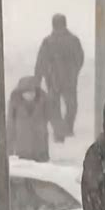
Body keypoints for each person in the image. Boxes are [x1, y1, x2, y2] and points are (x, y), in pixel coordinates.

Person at [35, 13, 84, 141]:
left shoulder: (48, 42)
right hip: (66, 80)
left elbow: (41, 62)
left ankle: (60, 131)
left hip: (54, 80)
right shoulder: (73, 40)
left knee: (55, 108)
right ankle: (65, 129)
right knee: (70, 107)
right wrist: (73, 72)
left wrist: (38, 79)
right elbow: (79, 59)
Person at [7, 76, 50, 163]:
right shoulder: (15, 104)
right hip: (22, 149)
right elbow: (10, 127)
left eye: (32, 92)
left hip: (39, 148)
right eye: (27, 92)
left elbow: (47, 123)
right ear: (21, 93)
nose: (30, 95)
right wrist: (9, 150)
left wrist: (45, 152)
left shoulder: (42, 102)